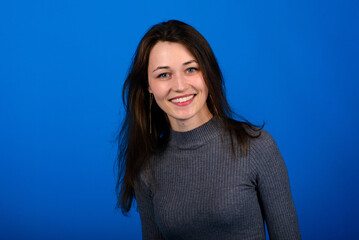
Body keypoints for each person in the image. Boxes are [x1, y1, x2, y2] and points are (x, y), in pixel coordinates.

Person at [116, 20, 301, 240]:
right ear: (148, 85)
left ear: (208, 73)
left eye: (191, 69)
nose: (180, 86)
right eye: (164, 74)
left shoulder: (257, 147)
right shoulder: (147, 166)